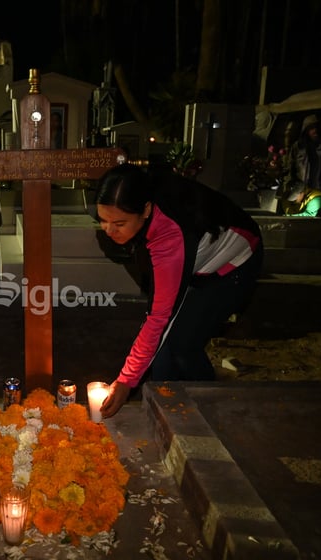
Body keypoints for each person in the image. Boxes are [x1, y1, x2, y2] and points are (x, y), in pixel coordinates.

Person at [96, 163, 264, 419]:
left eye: (119, 223)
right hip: (194, 259)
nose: (109, 231)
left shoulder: (169, 235)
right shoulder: (136, 202)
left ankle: (212, 414)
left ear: (146, 210)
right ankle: (164, 416)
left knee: (184, 344)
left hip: (234, 263)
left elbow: (159, 317)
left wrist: (126, 381)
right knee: (163, 354)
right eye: (103, 220)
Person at [289, 114, 321, 211]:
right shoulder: (299, 147)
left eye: (317, 127)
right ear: (306, 130)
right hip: (301, 192)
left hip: (320, 192)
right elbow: (290, 169)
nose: (315, 130)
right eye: (311, 128)